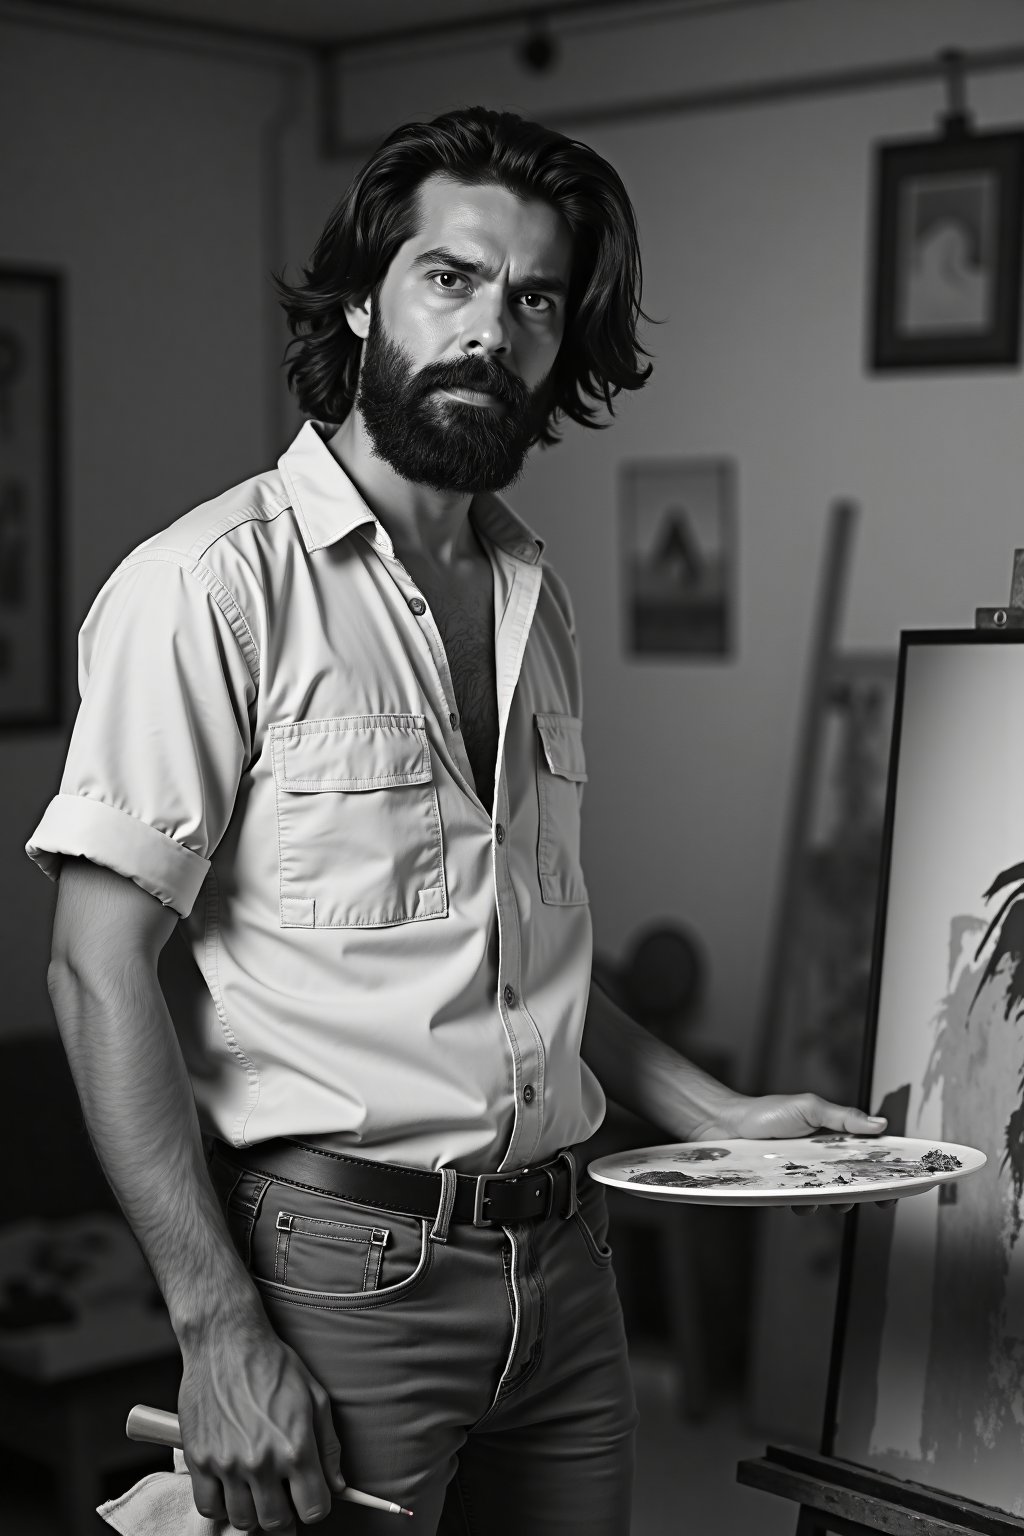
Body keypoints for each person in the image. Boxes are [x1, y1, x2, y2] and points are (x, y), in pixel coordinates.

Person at [28, 106, 886, 1535]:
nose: (493, 327)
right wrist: (216, 1328)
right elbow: (93, 963)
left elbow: (508, 958)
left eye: (535, 297)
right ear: (365, 295)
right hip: (335, 1271)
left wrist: (719, 1117)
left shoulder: (533, 602)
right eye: (451, 278)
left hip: (565, 1269)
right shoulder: (211, 586)